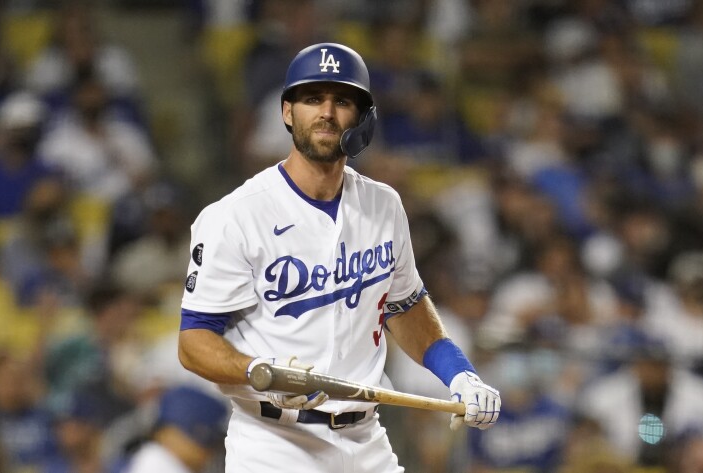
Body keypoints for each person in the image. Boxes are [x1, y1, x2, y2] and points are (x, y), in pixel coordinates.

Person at [177, 42, 501, 473]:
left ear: (362, 118)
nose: (326, 112)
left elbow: (404, 306)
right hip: (275, 443)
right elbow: (193, 341)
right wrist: (258, 370)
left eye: (342, 100)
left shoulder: (383, 205)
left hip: (365, 439)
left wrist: (459, 373)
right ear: (287, 112)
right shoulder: (235, 216)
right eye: (312, 99)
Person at [123, 385, 229, 473]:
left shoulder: (150, 458)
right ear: (167, 433)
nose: (211, 450)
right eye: (211, 440)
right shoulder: (156, 462)